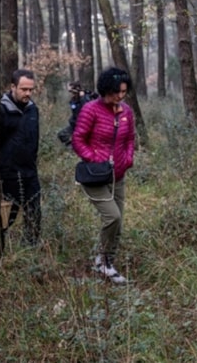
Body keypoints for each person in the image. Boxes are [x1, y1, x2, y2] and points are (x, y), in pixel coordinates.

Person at [72, 67, 136, 284]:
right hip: (95, 175)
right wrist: (94, 158)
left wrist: (128, 159)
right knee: (112, 216)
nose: (120, 96)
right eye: (116, 92)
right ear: (106, 89)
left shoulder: (126, 111)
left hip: (118, 174)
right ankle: (100, 259)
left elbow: (130, 139)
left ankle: (108, 264)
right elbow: (78, 139)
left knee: (119, 222)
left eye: (124, 91)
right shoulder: (91, 110)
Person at [0, 69, 42, 246]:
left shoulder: (33, 110)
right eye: (24, 89)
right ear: (13, 87)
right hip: (8, 173)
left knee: (34, 213)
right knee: (6, 216)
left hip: (30, 172)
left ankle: (31, 249)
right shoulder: (1, 109)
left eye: (31, 90)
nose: (28, 93)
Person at [57, 81, 98, 147]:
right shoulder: (73, 100)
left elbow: (86, 108)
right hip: (75, 124)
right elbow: (74, 112)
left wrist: (82, 97)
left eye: (73, 91)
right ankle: (73, 147)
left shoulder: (86, 98)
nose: (72, 94)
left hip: (86, 126)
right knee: (62, 134)